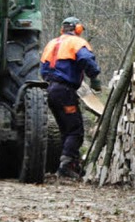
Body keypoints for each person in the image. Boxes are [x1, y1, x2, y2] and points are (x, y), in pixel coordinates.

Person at [40, 16, 102, 178]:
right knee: (75, 131)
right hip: (65, 92)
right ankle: (66, 166)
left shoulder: (51, 44)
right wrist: (94, 77)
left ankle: (69, 163)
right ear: (78, 29)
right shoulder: (77, 43)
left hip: (51, 90)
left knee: (66, 130)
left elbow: (43, 69)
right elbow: (86, 59)